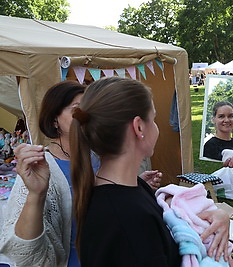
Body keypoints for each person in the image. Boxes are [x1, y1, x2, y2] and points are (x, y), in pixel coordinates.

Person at [69, 77, 232, 266]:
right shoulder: (129, 221)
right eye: (154, 119)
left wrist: (216, 214)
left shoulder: (130, 187)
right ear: (139, 127)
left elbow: (162, 216)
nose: (156, 127)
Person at [0, 80, 162, 266]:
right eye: (77, 109)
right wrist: (36, 195)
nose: (88, 116)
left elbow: (108, 205)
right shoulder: (41, 167)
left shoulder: (99, 156)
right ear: (54, 120)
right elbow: (23, 255)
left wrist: (134, 186)